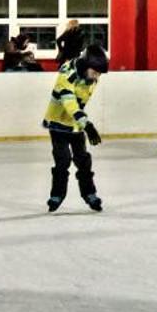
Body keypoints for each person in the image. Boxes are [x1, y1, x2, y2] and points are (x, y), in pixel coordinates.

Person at [42, 50, 105, 212]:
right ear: (85, 66)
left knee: (83, 160)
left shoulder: (90, 77)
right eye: (95, 73)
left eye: (99, 74)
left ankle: (90, 193)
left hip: (76, 125)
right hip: (57, 124)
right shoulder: (66, 75)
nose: (96, 78)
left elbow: (80, 103)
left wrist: (82, 124)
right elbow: (69, 102)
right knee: (62, 160)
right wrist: (88, 125)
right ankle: (57, 195)